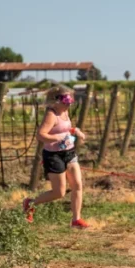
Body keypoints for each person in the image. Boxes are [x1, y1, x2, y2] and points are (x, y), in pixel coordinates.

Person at [23, 85, 89, 228]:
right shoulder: (51, 114)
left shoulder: (65, 113)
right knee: (59, 192)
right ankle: (30, 203)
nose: (68, 105)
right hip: (53, 156)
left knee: (78, 185)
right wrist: (59, 137)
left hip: (69, 153)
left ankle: (76, 219)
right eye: (65, 102)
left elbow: (65, 129)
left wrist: (75, 131)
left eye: (70, 102)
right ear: (56, 100)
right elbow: (41, 135)